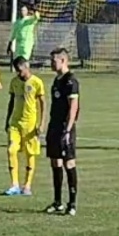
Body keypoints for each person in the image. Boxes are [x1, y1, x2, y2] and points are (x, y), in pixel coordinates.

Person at [2, 56, 46, 196]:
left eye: (20, 70)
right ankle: (14, 184)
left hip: (30, 125)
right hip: (15, 123)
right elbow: (11, 101)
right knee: (11, 150)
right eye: (17, 71)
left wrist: (42, 123)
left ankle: (27, 185)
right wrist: (7, 120)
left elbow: (43, 103)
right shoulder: (14, 82)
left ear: (27, 67)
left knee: (30, 153)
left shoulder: (36, 82)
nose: (19, 73)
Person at [44, 48, 81, 215]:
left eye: (54, 61)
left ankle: (72, 204)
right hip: (54, 126)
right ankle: (57, 201)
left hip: (65, 128)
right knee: (55, 162)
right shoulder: (57, 80)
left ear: (63, 61)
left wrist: (68, 129)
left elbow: (73, 107)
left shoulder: (70, 81)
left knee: (69, 163)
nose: (51, 64)